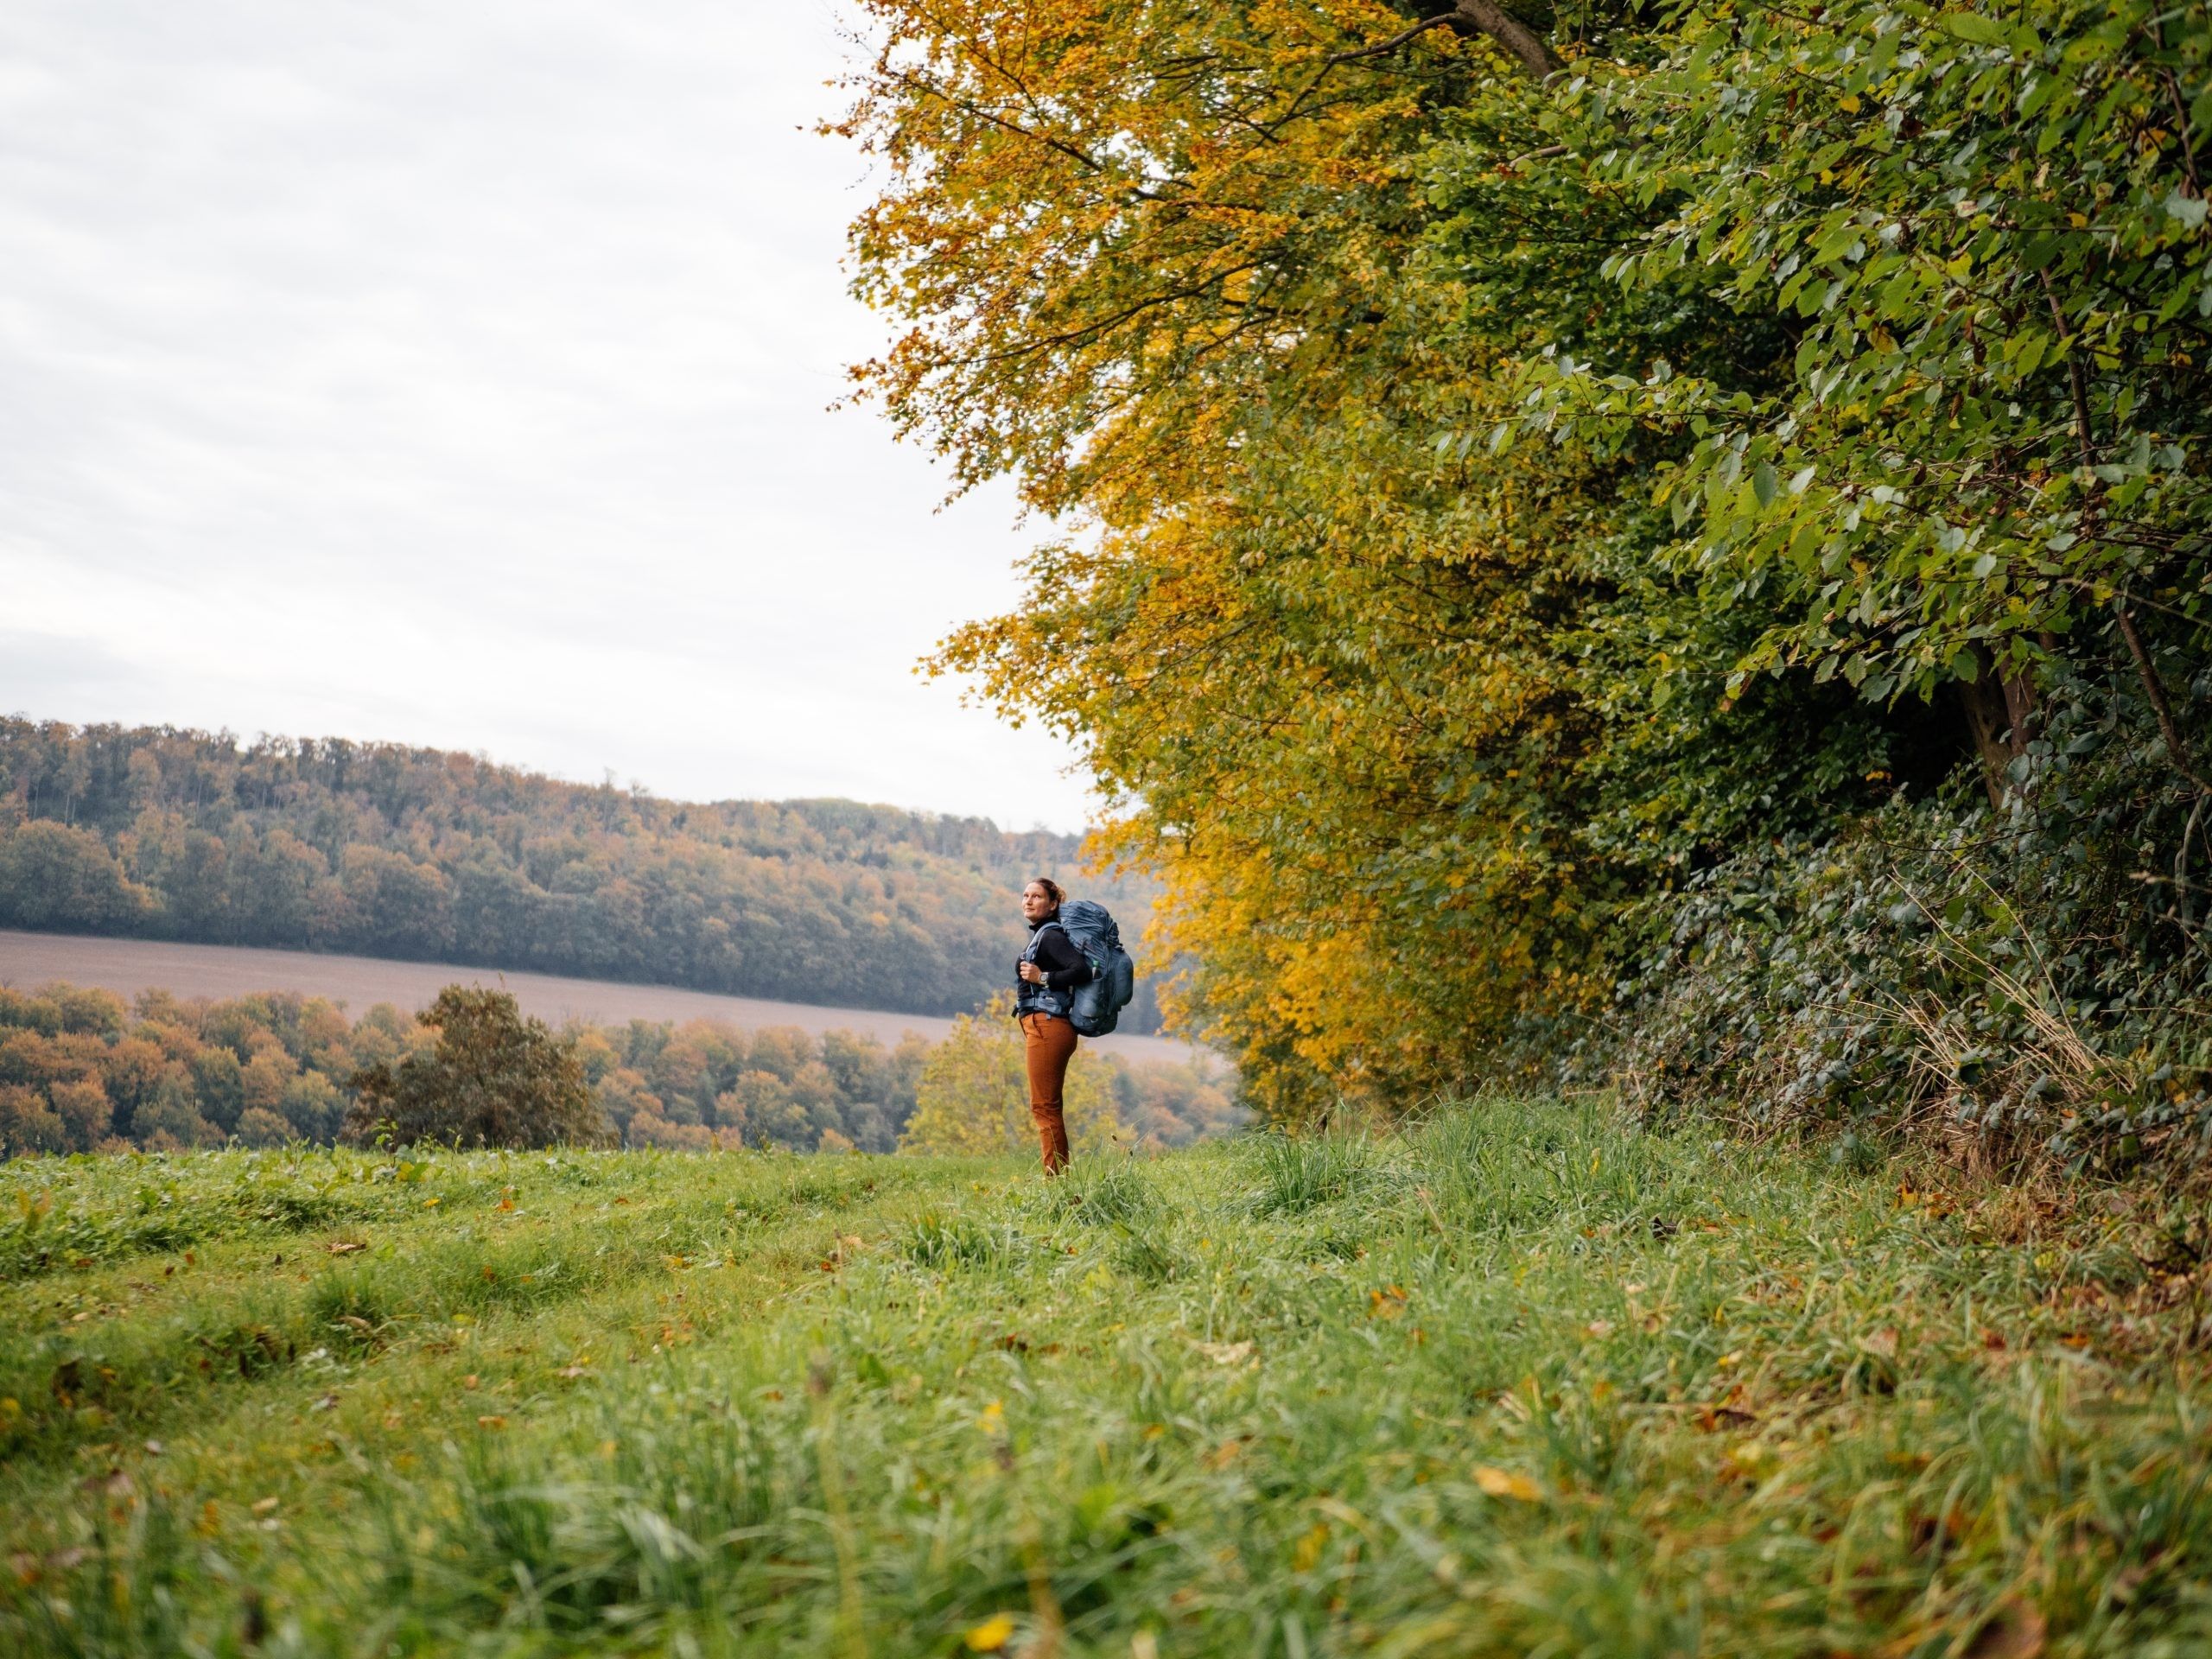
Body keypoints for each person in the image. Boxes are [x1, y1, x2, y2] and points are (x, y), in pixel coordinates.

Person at [1014, 876, 1093, 1174]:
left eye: (1037, 896)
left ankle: (1056, 1181)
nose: (1029, 901)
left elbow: (1081, 970)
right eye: (1026, 895)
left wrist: (1042, 977)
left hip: (1048, 1026)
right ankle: (1058, 1178)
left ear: (1053, 904)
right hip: (1044, 1026)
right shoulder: (1042, 936)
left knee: (1044, 1107)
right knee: (1047, 1105)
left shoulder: (1051, 936)